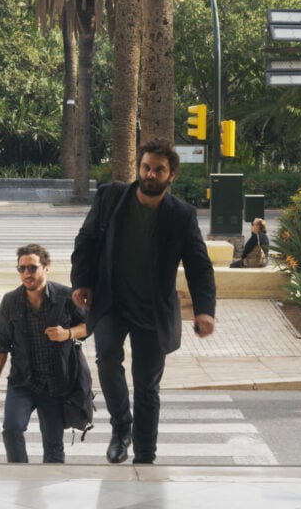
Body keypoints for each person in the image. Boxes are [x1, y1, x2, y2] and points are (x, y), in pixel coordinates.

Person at [71, 138, 217, 465]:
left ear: (172, 175)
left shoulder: (180, 215)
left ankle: (145, 454)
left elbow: (198, 265)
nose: (150, 174)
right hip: (110, 301)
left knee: (147, 385)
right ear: (139, 167)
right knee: (107, 359)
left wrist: (205, 310)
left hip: (153, 311)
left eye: (159, 170)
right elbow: (86, 240)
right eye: (146, 167)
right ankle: (121, 428)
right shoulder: (111, 197)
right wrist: (81, 282)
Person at [0, 244, 87, 463]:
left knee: (53, 444)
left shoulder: (66, 296)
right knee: (11, 430)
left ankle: (52, 486)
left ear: (46, 268)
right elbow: (1, 345)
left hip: (54, 384)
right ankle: (21, 477)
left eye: (32, 268)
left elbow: (89, 325)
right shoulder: (10, 301)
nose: (26, 274)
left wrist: (67, 333)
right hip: (22, 380)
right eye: (21, 269)